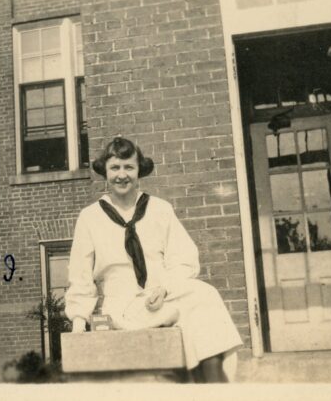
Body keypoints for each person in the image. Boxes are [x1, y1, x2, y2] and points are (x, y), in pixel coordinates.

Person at [64, 136, 243, 383]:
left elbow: (184, 258)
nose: (122, 175)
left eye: (129, 167)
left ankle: (216, 387)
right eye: (115, 167)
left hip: (162, 299)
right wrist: (78, 321)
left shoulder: (160, 209)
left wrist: (165, 287)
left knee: (204, 298)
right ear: (105, 172)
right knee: (202, 311)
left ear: (139, 171)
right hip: (123, 309)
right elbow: (80, 276)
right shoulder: (90, 217)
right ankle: (214, 387)